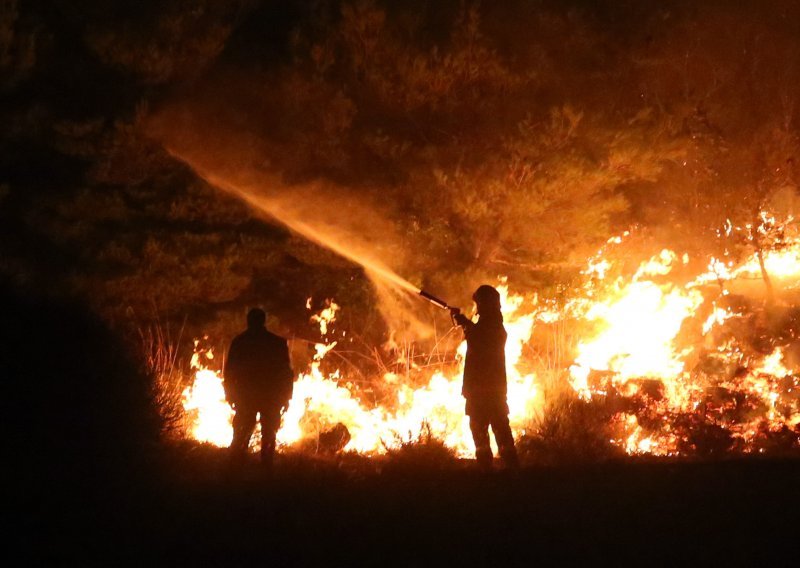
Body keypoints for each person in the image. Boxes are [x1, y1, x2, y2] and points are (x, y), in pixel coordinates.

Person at [450, 285, 519, 471]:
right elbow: (477, 337)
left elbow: (480, 341)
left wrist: (464, 322)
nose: (477, 306)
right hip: (487, 390)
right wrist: (465, 322)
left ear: (487, 303)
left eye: (479, 302)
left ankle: (497, 472)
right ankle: (504, 472)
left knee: (490, 432)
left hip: (484, 390)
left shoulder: (493, 327)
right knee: (492, 431)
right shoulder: (491, 325)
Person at [224, 308, 294, 469]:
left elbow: (229, 373)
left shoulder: (240, 342)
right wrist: (286, 397)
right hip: (270, 396)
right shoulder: (277, 343)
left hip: (246, 396)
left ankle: (236, 468)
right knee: (269, 433)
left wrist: (230, 394)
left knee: (242, 432)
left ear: (248, 321)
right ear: (264, 321)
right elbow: (286, 373)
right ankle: (266, 468)